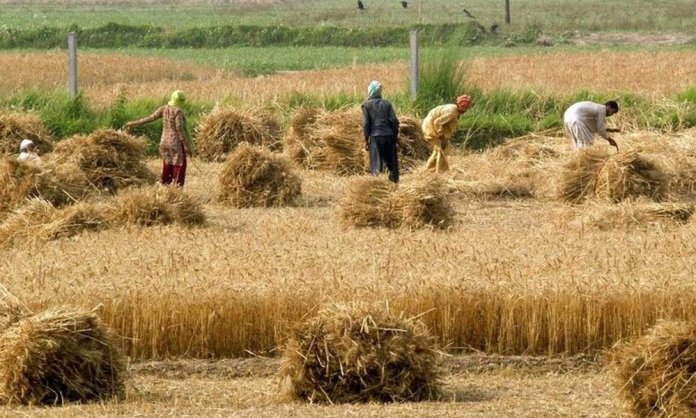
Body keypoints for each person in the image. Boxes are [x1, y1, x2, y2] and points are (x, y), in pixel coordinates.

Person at [124, 90, 193, 186]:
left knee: (167, 163)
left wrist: (134, 123)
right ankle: (175, 189)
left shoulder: (164, 109)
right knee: (179, 165)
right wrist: (186, 146)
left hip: (164, 142)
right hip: (175, 143)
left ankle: (165, 185)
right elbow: (179, 129)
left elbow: (151, 117)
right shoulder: (178, 111)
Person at [422, 95, 473, 173]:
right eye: (465, 108)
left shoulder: (454, 110)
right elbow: (437, 123)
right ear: (462, 107)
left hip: (430, 126)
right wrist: (442, 138)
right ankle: (441, 173)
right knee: (443, 149)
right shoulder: (451, 112)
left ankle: (429, 170)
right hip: (431, 128)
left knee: (438, 150)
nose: (466, 110)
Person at [362, 80, 400, 183]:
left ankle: (378, 186)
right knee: (392, 164)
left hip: (376, 137)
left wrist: (366, 140)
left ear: (370, 91)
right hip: (389, 136)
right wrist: (395, 137)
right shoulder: (387, 104)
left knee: (376, 164)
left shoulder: (366, 105)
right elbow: (394, 121)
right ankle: (394, 185)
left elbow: (366, 124)